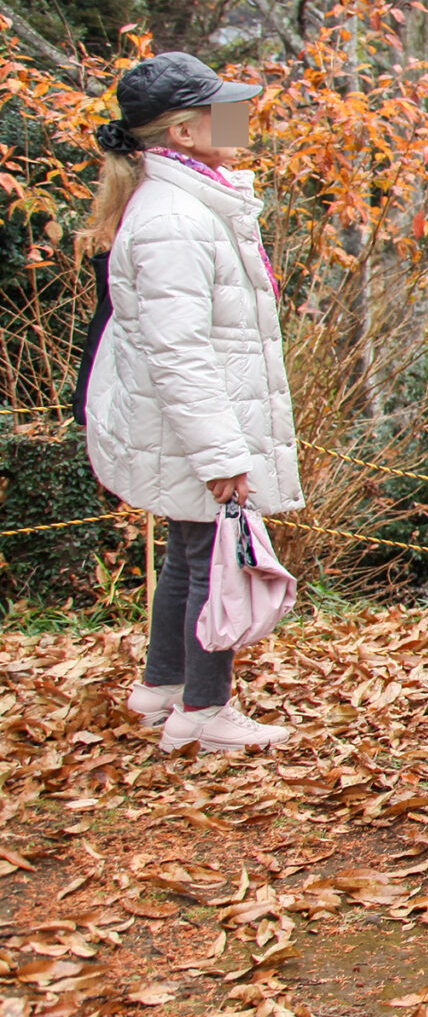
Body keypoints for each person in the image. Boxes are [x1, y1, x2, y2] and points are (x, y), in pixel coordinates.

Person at [81, 53, 303, 754]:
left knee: (188, 547)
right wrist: (223, 455)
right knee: (218, 558)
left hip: (186, 420)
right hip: (199, 423)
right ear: (181, 131)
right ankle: (204, 710)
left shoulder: (188, 201)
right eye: (223, 108)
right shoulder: (176, 218)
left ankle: (163, 685)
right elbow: (182, 353)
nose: (240, 119)